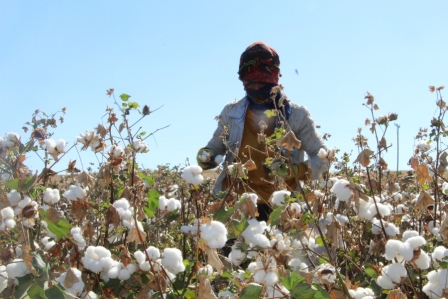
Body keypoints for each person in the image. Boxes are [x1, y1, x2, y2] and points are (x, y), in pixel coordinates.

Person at [197, 41, 328, 221]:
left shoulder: (297, 116)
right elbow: (215, 147)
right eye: (251, 84)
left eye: (262, 83)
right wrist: (205, 157)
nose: (257, 89)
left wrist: (295, 170)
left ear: (275, 80)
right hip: (236, 205)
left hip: (280, 209)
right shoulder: (231, 113)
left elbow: (323, 157)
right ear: (243, 81)